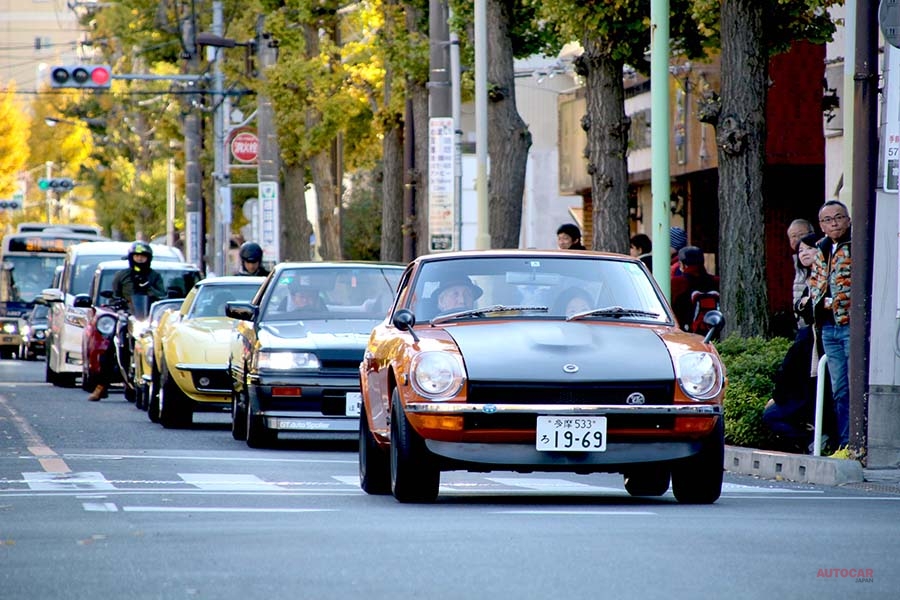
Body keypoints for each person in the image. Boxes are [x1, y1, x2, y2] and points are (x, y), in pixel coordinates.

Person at [87, 241, 166, 402]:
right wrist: (117, 302)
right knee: (110, 346)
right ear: (131, 258)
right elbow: (114, 296)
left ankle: (157, 384)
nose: (139, 260)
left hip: (146, 317)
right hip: (127, 316)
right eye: (137, 256)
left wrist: (149, 288)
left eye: (143, 257)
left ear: (148, 259)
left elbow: (162, 295)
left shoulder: (155, 276)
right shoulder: (121, 275)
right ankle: (101, 386)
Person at [806, 200, 851, 447]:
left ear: (848, 220)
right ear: (821, 225)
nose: (834, 223)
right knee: (838, 389)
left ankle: (854, 443)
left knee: (852, 387)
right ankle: (844, 443)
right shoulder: (822, 247)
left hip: (849, 325)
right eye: (828, 220)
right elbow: (816, 283)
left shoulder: (855, 245)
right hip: (827, 327)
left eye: (839, 217)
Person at [670, 246, 719, 333]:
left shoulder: (676, 283)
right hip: (714, 330)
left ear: (682, 265)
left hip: (685, 333)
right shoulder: (717, 282)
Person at [786, 218, 816, 332]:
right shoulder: (796, 261)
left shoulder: (815, 260)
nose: (797, 239)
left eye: (801, 234)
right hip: (801, 321)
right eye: (793, 236)